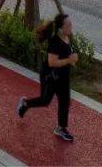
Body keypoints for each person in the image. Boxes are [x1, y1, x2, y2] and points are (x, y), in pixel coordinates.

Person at [17, 13, 78, 142]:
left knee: (65, 101)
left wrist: (71, 60)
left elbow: (66, 55)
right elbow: (52, 62)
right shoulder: (55, 41)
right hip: (51, 76)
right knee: (45, 100)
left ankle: (61, 128)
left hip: (63, 75)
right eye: (68, 24)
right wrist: (69, 60)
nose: (71, 26)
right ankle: (25, 103)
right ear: (61, 28)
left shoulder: (66, 37)